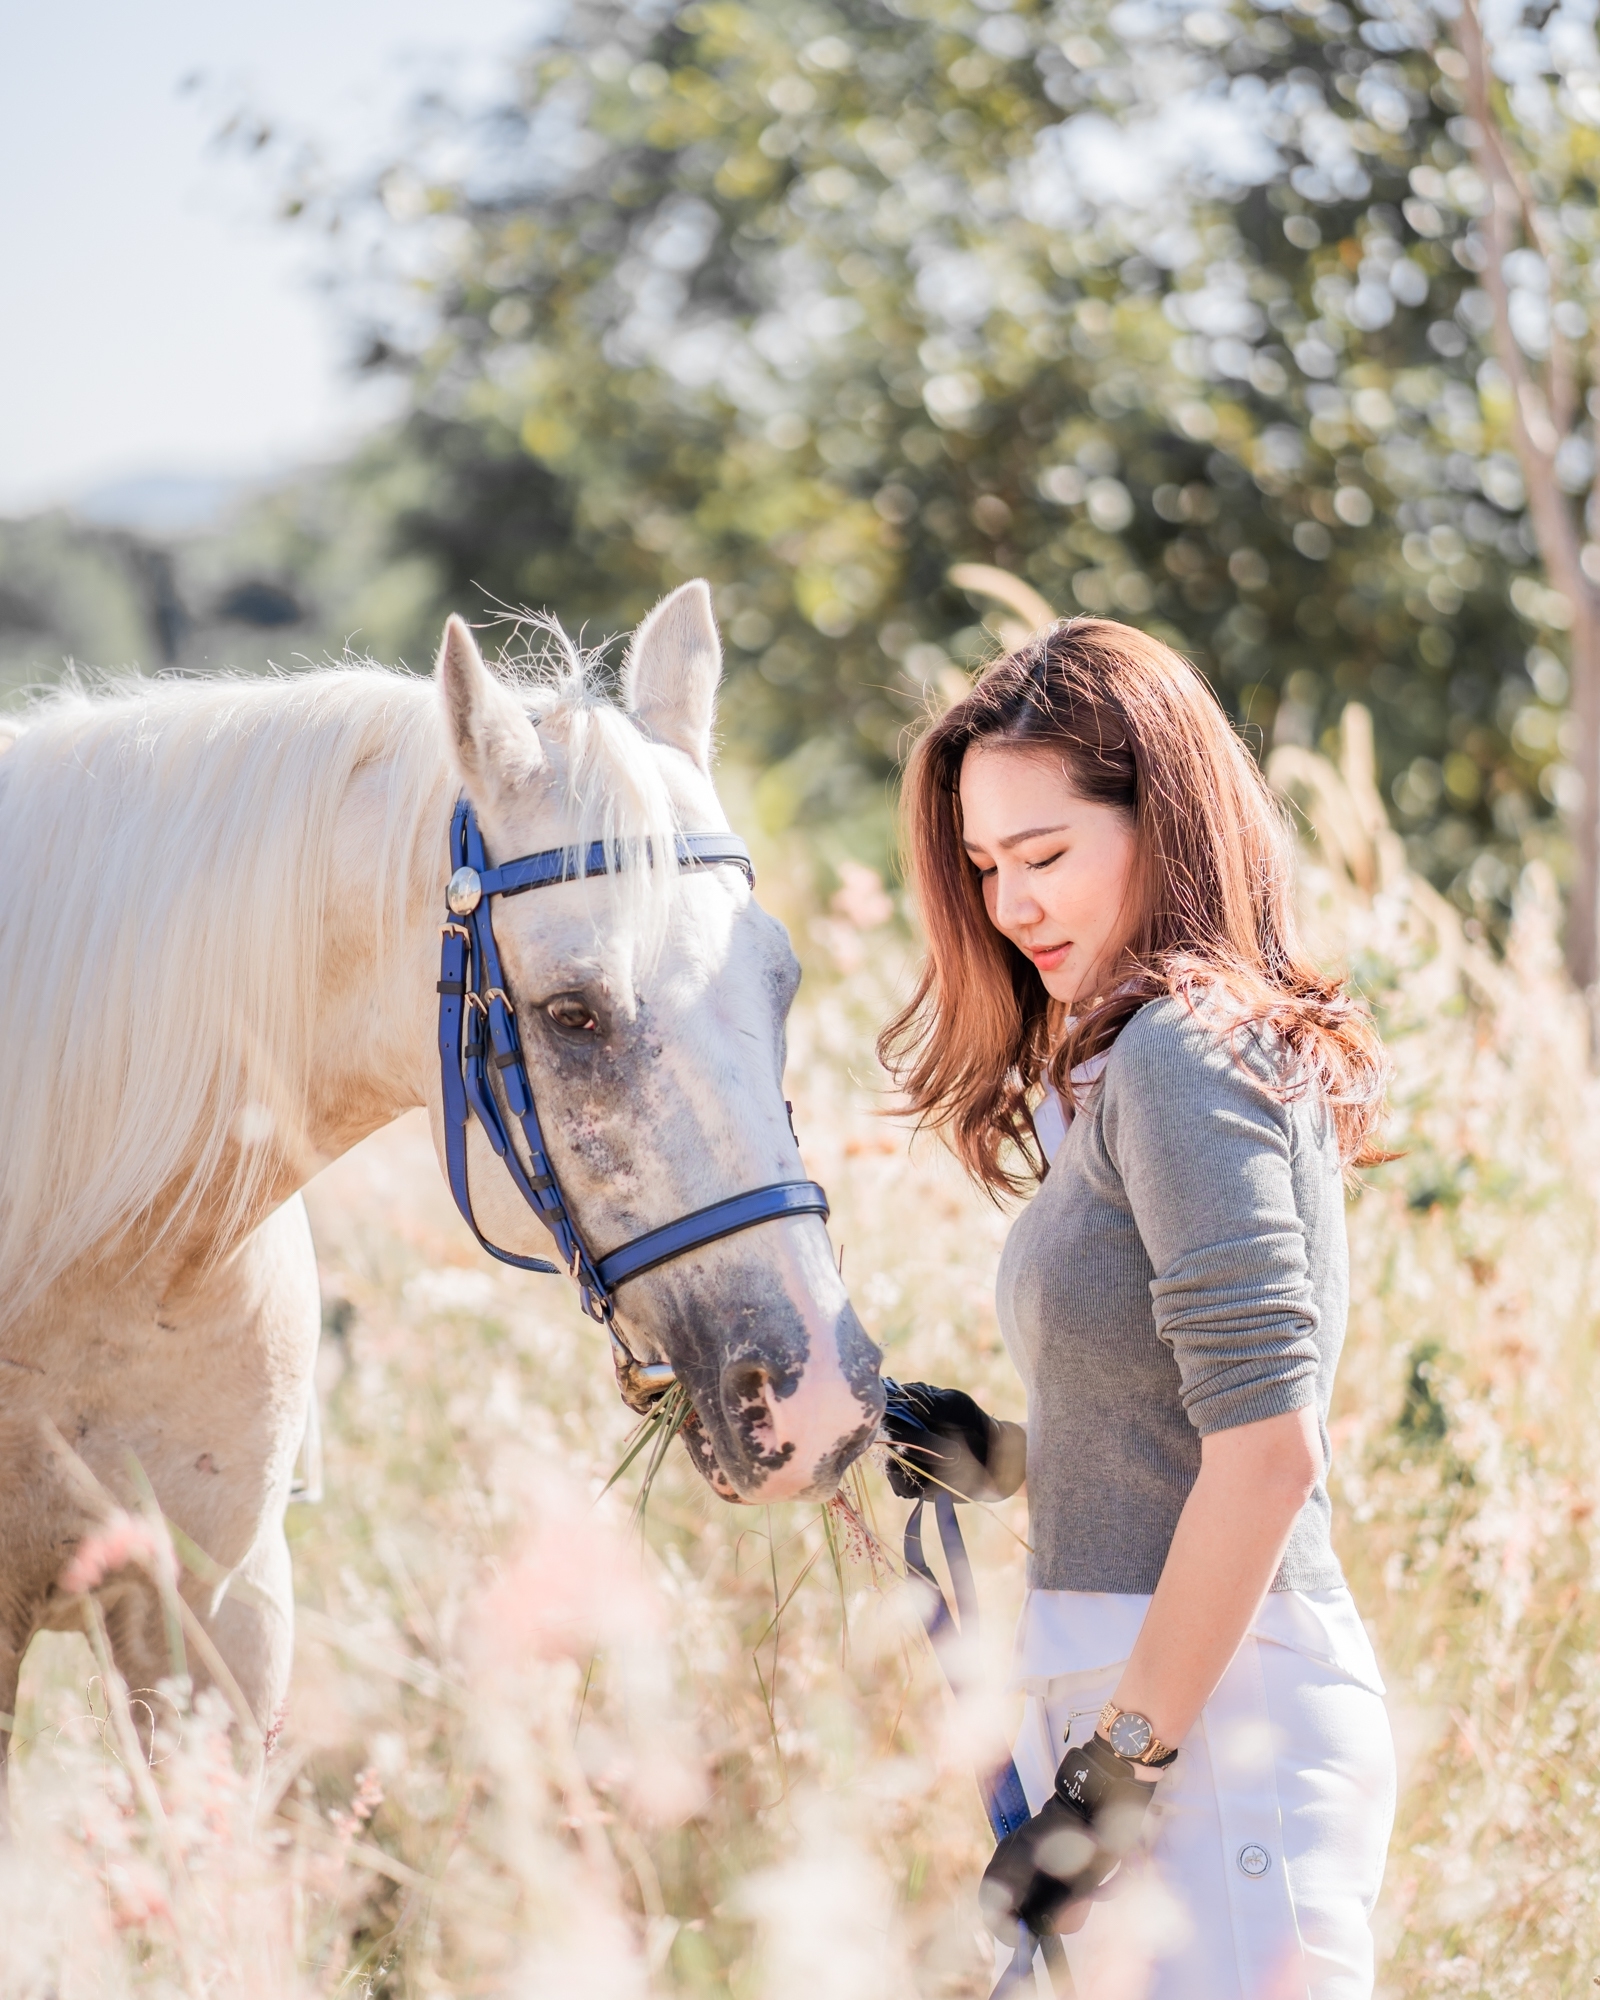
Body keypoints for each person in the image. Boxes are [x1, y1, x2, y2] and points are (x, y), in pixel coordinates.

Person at [878, 619, 1396, 1999]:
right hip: (1149, 1702)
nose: (1009, 904)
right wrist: (1005, 1460)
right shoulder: (1125, 1067)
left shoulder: (1182, 1057)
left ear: (1163, 824)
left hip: (1215, 1728)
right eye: (985, 867)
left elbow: (1270, 1455)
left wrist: (1115, 1779)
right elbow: (1183, 1428)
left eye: (1044, 855)